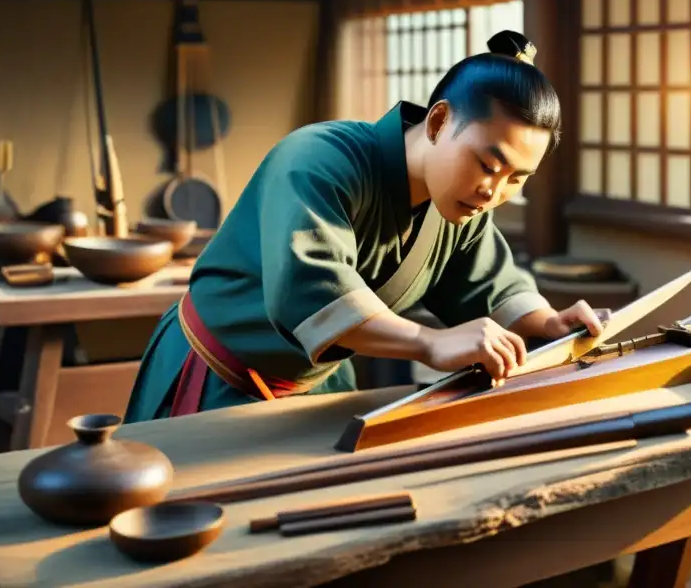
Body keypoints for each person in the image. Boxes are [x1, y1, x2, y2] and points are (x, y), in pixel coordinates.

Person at [123, 30, 607, 423]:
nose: (493, 191)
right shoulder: (317, 160)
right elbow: (310, 290)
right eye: (487, 164)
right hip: (215, 373)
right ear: (438, 123)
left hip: (318, 383)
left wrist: (549, 324)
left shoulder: (459, 204)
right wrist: (429, 342)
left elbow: (491, 286)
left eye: (516, 179)